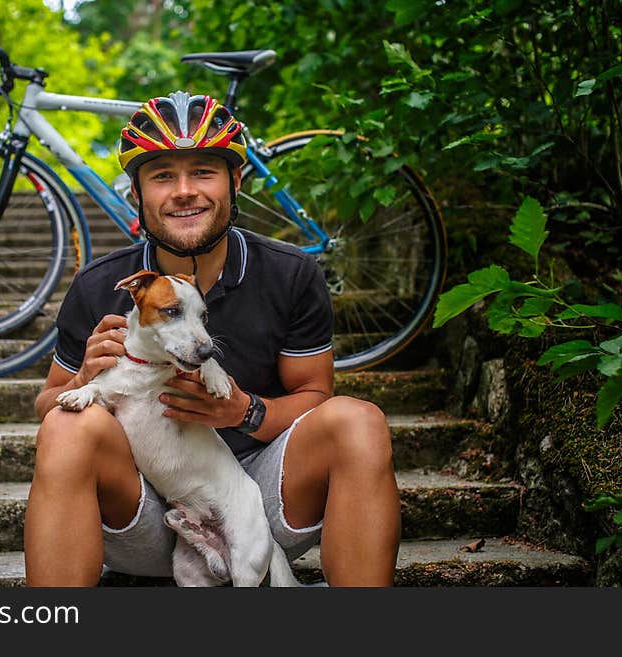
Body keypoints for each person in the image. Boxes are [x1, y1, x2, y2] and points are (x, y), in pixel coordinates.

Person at [24, 91, 401, 587]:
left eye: (203, 171)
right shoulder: (100, 285)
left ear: (235, 181)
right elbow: (48, 404)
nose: (184, 191)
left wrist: (245, 411)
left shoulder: (290, 273)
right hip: (137, 505)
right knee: (65, 428)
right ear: (136, 193)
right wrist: (84, 375)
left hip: (253, 496)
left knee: (359, 421)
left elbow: (316, 395)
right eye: (162, 176)